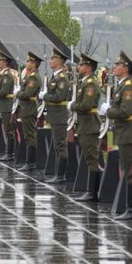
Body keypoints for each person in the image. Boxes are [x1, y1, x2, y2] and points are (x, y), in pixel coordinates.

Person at [101, 51, 132, 221]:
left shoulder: (129, 87)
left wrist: (108, 111)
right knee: (128, 170)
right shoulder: (122, 85)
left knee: (131, 171)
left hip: (130, 133)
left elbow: (125, 111)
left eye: (118, 65)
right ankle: (131, 207)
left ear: (126, 68)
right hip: (125, 133)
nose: (114, 67)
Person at [72, 53, 103, 201]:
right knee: (89, 157)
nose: (79, 67)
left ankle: (93, 192)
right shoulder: (84, 82)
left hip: (90, 125)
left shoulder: (90, 83)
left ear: (89, 68)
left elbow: (86, 105)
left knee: (92, 158)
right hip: (85, 124)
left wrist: (72, 106)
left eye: (81, 65)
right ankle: (91, 191)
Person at [41, 48, 71, 183]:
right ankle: (59, 174)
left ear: (59, 61)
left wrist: (45, 96)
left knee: (60, 145)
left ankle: (61, 176)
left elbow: (59, 96)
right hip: (54, 115)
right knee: (57, 145)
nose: (50, 61)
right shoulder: (55, 76)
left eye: (53, 58)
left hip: (59, 116)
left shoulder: (62, 78)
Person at [16, 52, 41, 168]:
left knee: (30, 135)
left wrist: (18, 94)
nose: (26, 63)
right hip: (26, 108)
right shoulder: (29, 75)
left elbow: (28, 93)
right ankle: (29, 161)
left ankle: (31, 162)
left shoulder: (34, 77)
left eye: (29, 61)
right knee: (27, 135)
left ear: (34, 63)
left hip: (29, 109)